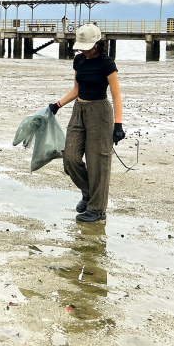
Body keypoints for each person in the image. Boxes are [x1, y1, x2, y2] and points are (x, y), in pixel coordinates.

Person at [48, 24, 124, 223]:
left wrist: (118, 125)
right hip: (79, 111)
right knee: (70, 158)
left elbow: (116, 96)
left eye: (87, 46)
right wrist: (58, 104)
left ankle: (98, 209)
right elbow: (76, 89)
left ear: (98, 44)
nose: (84, 50)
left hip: (100, 112)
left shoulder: (107, 63)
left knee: (98, 162)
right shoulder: (79, 60)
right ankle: (88, 192)